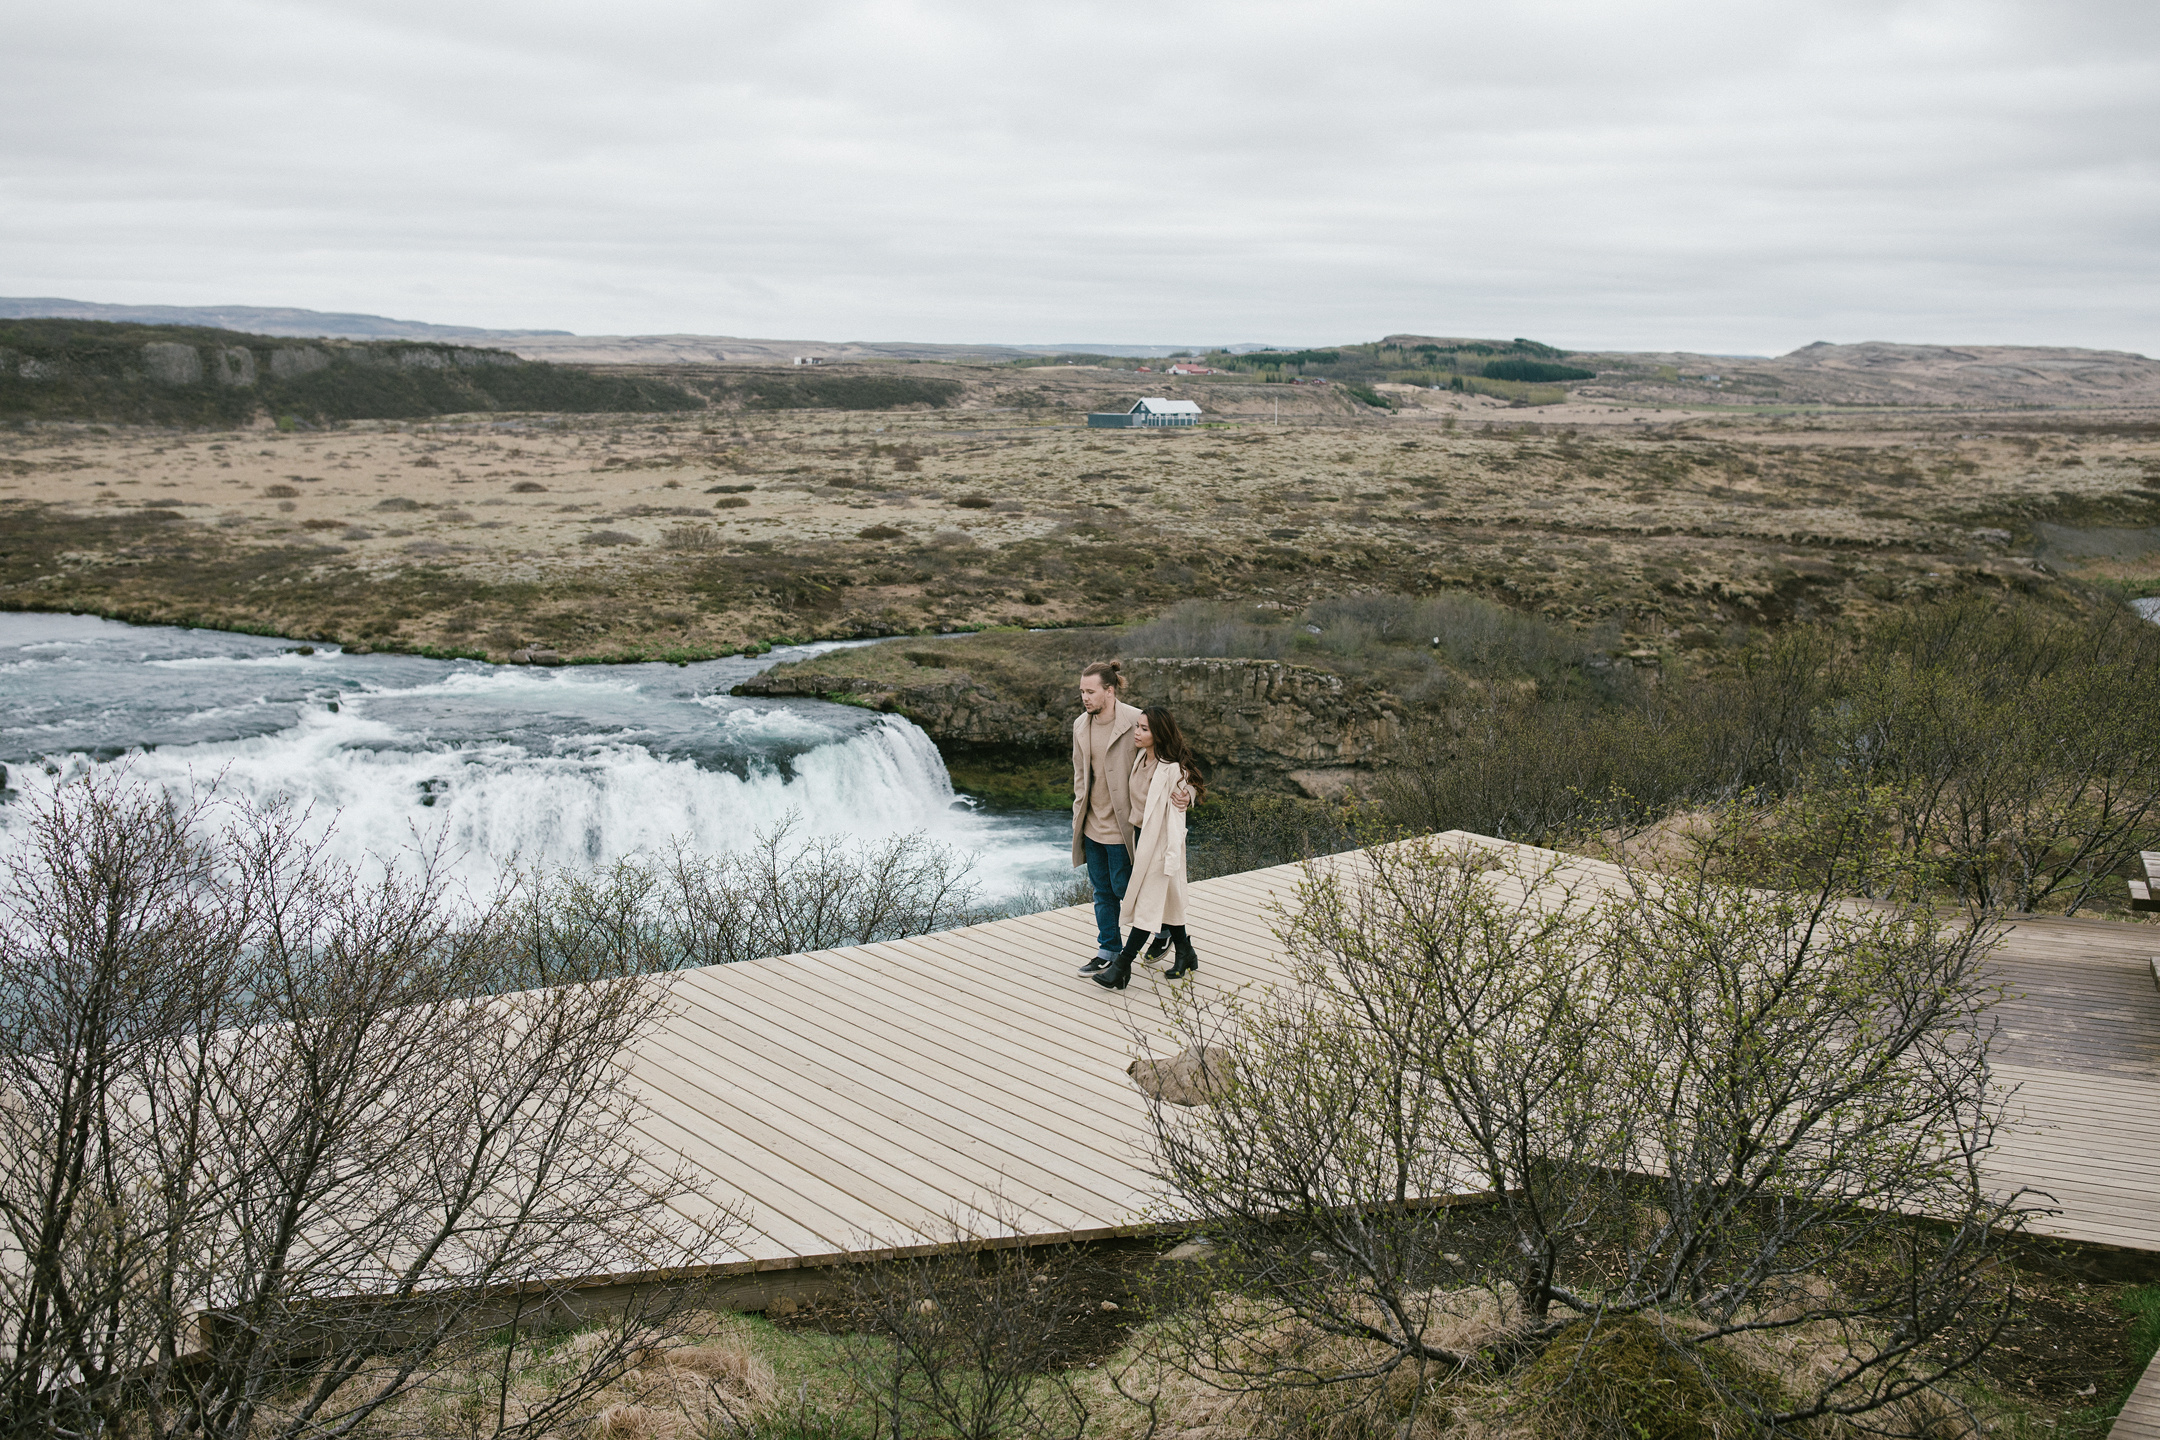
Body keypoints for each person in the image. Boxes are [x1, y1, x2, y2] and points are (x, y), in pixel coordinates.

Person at [1094, 706, 1205, 990]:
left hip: (1162, 843)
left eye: (1144, 729)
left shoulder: (1170, 769)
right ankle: (1185, 952)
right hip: (1141, 839)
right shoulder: (1141, 756)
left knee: (1146, 906)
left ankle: (1122, 966)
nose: (1137, 732)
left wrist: (1189, 795)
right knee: (1167, 901)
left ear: (1159, 734)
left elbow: (1188, 785)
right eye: (1137, 726)